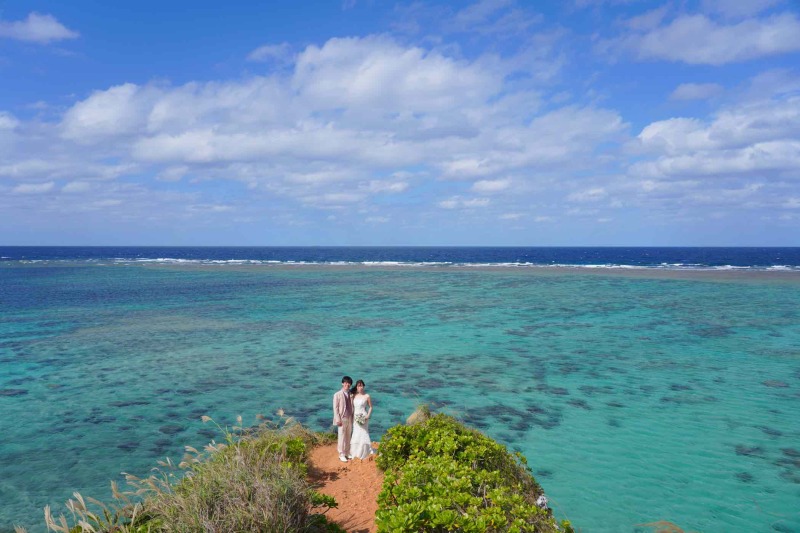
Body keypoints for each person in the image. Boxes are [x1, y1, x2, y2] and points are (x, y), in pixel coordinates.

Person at [349, 379, 374, 459]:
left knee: (364, 432)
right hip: (355, 417)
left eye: (361, 386)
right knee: (356, 433)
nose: (360, 387)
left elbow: (370, 407)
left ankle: (365, 452)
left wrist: (368, 415)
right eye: (359, 386)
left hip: (363, 416)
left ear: (363, 386)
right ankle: (354, 452)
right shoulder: (354, 395)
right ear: (356, 387)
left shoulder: (367, 396)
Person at [333, 375, 354, 462]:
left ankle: (347, 452)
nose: (347, 384)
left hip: (350, 417)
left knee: (348, 435)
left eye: (349, 383)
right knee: (341, 436)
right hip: (342, 418)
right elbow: (335, 408)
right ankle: (341, 454)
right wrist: (338, 419)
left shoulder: (351, 394)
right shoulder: (337, 394)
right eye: (345, 383)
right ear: (342, 383)